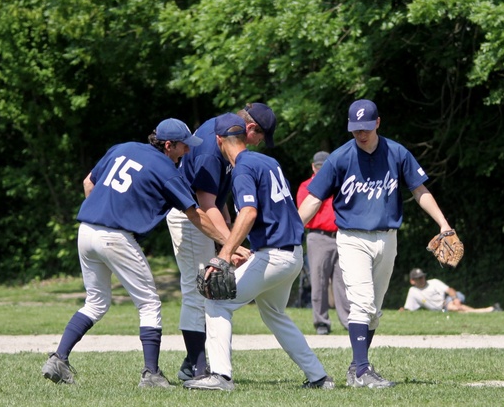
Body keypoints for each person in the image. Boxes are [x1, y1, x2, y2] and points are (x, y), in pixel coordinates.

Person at [41, 118, 231, 388]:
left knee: (95, 303)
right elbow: (195, 215)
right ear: (168, 145)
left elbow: (88, 183)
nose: (187, 151)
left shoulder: (122, 147)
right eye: (183, 146)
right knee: (149, 304)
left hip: (86, 230)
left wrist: (103, 213)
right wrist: (229, 243)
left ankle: (59, 358)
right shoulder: (165, 168)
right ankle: (151, 374)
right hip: (116, 236)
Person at [298, 99, 455, 389]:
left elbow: (419, 189)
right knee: (362, 303)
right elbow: (314, 198)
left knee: (374, 310)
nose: (361, 133)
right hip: (353, 237)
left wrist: (443, 224)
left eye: (366, 127)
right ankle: (362, 372)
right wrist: (292, 230)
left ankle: (357, 366)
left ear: (378, 123)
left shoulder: (396, 153)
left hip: (388, 237)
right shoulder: (339, 158)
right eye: (355, 129)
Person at [183, 113, 335, 391]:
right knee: (274, 314)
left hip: (273, 256)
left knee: (217, 302)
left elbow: (250, 212)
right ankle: (319, 377)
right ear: (245, 136)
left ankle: (221, 376)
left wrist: (225, 254)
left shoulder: (241, 168)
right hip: (293, 254)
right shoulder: (268, 161)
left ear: (219, 140)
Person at [165, 103, 277, 383]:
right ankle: (197, 367)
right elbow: (205, 203)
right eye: (261, 136)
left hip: (206, 216)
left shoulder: (227, 134)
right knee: (198, 291)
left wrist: (229, 238)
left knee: (209, 290)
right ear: (250, 128)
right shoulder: (209, 150)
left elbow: (218, 198)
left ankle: (192, 362)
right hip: (190, 218)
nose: (259, 142)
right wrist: (231, 245)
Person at [297, 151, 349, 335]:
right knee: (318, 281)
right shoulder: (306, 186)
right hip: (318, 236)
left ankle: (349, 322)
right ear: (313, 167)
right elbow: (307, 211)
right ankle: (321, 322)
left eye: (324, 168)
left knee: (343, 282)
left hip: (341, 236)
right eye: (318, 167)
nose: (321, 171)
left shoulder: (340, 183)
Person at [400, 268, 502, 313]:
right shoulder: (413, 291)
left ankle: (490, 310)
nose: (421, 279)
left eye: (422, 277)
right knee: (460, 312)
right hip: (443, 308)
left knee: (454, 307)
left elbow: (450, 290)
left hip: (450, 298)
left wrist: (455, 299)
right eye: (418, 278)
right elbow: (409, 308)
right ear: (412, 281)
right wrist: (403, 311)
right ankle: (491, 310)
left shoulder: (434, 282)